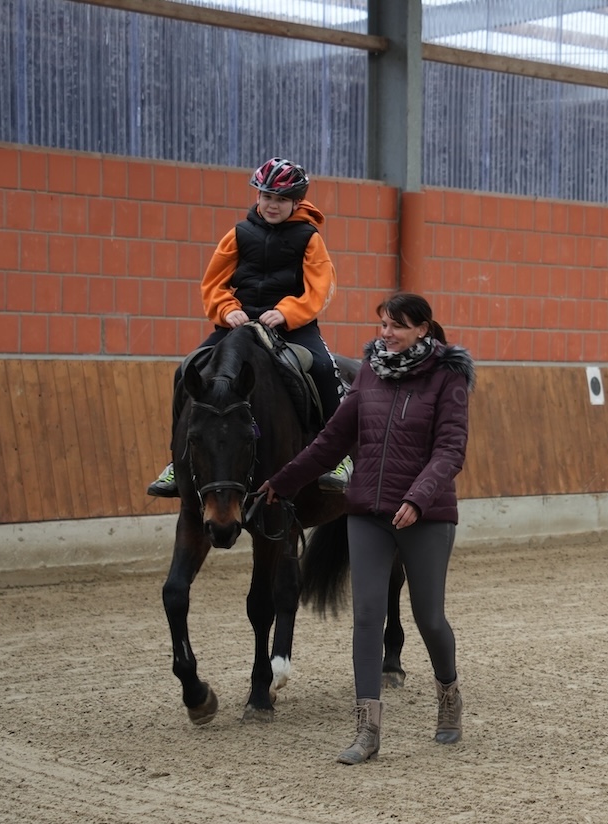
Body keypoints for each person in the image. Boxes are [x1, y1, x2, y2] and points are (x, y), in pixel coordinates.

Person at [261, 293, 474, 765]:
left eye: (397, 325)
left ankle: (449, 697)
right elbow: (331, 440)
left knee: (429, 618)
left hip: (426, 514)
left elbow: (450, 451)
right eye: (382, 324)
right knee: (366, 617)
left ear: (422, 328)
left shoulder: (447, 378)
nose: (386, 333)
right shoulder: (370, 373)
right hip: (367, 513)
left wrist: (418, 498)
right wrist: (282, 481)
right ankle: (367, 731)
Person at [148, 157, 351, 497]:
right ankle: (176, 458)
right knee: (187, 369)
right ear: (258, 196)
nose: (273, 205)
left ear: (296, 202)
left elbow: (321, 287)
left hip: (291, 324)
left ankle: (341, 456)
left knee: (321, 368)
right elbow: (213, 282)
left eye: (281, 199)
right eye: (267, 196)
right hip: (240, 321)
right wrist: (227, 310)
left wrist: (287, 312)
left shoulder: (309, 238)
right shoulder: (239, 234)